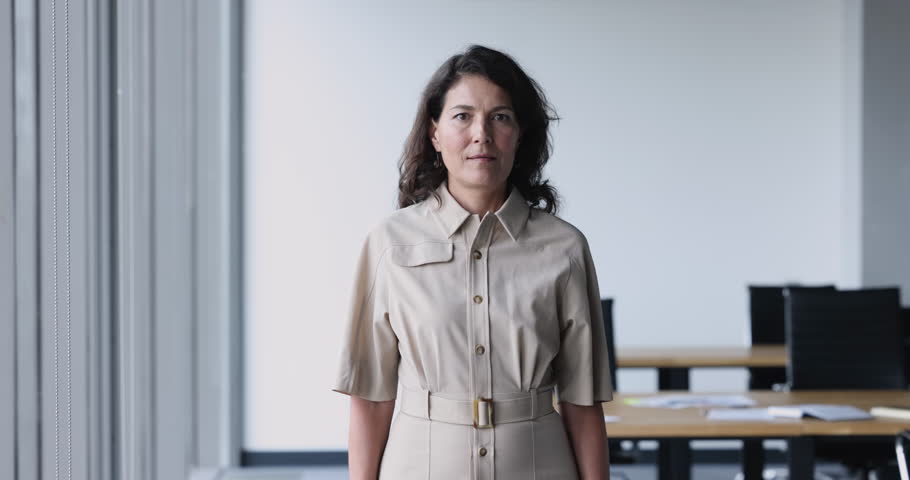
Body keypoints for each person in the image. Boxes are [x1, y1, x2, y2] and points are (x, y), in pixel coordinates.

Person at [332, 44, 613, 480]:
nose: (481, 134)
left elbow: (582, 401)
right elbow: (369, 398)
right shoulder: (388, 244)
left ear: (520, 134)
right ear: (435, 133)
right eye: (462, 116)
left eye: (500, 117)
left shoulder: (565, 248)